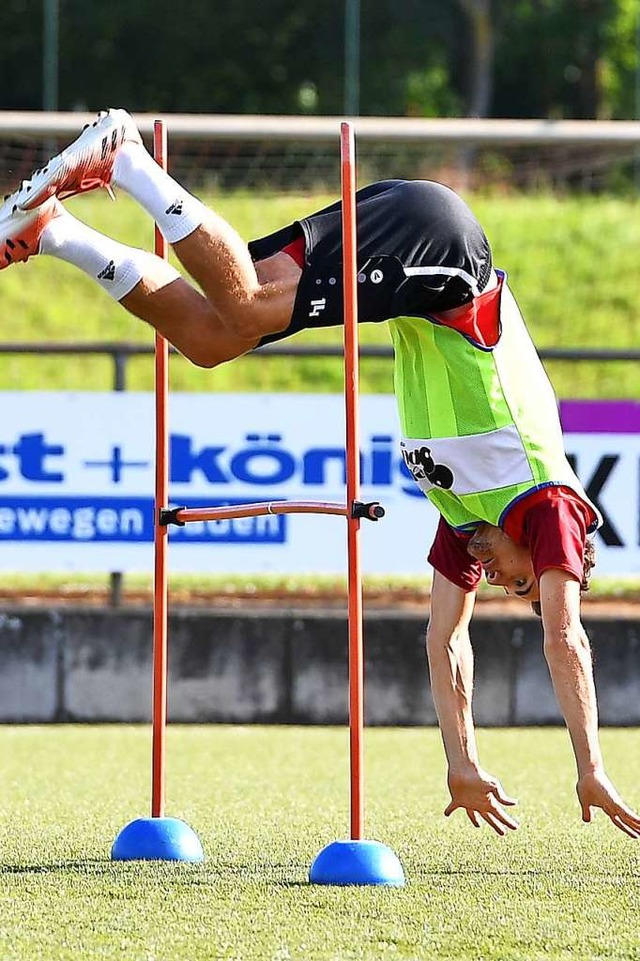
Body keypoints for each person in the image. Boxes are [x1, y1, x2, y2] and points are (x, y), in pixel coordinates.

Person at [2, 109, 638, 839]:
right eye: (522, 581)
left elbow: (445, 638)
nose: (503, 582)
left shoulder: (467, 517)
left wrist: (462, 760)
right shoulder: (548, 501)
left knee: (215, 335)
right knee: (248, 303)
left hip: (413, 251)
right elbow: (567, 638)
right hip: (446, 250)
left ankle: (52, 231)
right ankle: (126, 159)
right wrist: (591, 765)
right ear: (552, 557)